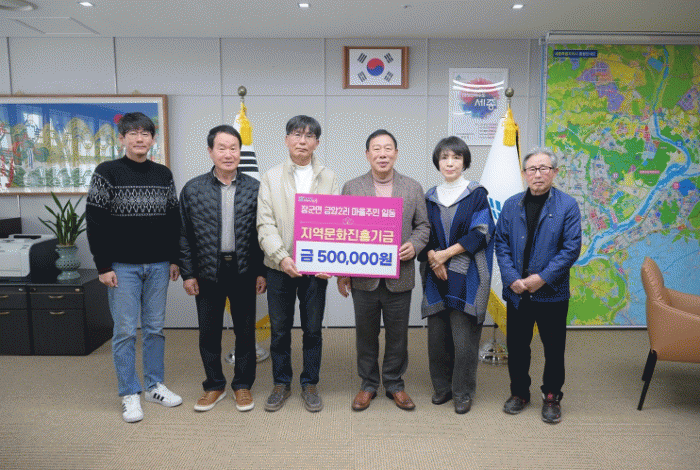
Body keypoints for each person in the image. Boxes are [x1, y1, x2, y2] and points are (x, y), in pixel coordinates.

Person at [86, 112, 182, 423]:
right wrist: (103, 266)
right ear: (122, 138)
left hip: (158, 265)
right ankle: (130, 392)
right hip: (121, 267)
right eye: (133, 133)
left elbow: (173, 220)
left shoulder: (163, 174)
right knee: (125, 331)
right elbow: (95, 222)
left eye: (145, 133)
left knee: (154, 329)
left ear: (153, 139)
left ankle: (154, 386)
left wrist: (175, 259)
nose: (139, 138)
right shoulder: (107, 172)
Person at [338, 129, 430, 411]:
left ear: (396, 154)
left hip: (399, 276)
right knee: (365, 335)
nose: (382, 154)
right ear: (367, 154)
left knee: (397, 335)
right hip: (363, 278)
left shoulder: (412, 187)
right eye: (376, 149)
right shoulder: (352, 187)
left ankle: (394, 383)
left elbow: (423, 226)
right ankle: (368, 384)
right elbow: (342, 230)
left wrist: (415, 245)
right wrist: (342, 272)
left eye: (388, 148)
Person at [179, 125, 267, 413]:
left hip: (244, 270)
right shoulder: (193, 189)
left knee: (245, 332)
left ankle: (242, 385)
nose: (228, 154)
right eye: (222, 148)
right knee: (209, 333)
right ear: (210, 151)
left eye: (233, 148)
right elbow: (183, 234)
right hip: (207, 271)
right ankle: (214, 385)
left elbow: (263, 234)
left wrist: (262, 271)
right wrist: (188, 273)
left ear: (240, 152)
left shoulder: (255, 188)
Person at [257, 115, 339, 412]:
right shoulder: (270, 177)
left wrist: (330, 258)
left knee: (313, 330)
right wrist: (282, 257)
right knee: (279, 330)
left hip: (316, 270)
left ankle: (310, 383)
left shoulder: (329, 177)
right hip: (279, 268)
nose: (302, 141)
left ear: (317, 142)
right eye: (296, 134)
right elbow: (264, 224)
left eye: (308, 136)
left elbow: (336, 222)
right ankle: (281, 383)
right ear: (286, 140)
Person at [494, 147, 582, 424]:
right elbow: (501, 243)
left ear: (554, 172)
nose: (538, 174)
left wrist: (541, 278)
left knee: (554, 349)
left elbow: (571, 248)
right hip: (518, 291)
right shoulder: (511, 205)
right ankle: (519, 393)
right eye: (532, 169)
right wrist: (512, 278)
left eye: (544, 168)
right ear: (524, 174)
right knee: (518, 346)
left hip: (552, 292)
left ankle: (552, 396)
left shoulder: (567, 205)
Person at [419, 136, 495, 414]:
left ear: (465, 162)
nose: (449, 163)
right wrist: (433, 257)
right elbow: (422, 232)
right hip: (435, 276)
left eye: (456, 157)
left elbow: (481, 233)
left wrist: (445, 255)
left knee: (464, 341)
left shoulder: (476, 194)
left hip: (467, 277)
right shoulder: (429, 196)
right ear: (437, 162)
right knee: (437, 338)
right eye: (444, 157)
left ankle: (463, 392)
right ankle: (442, 388)